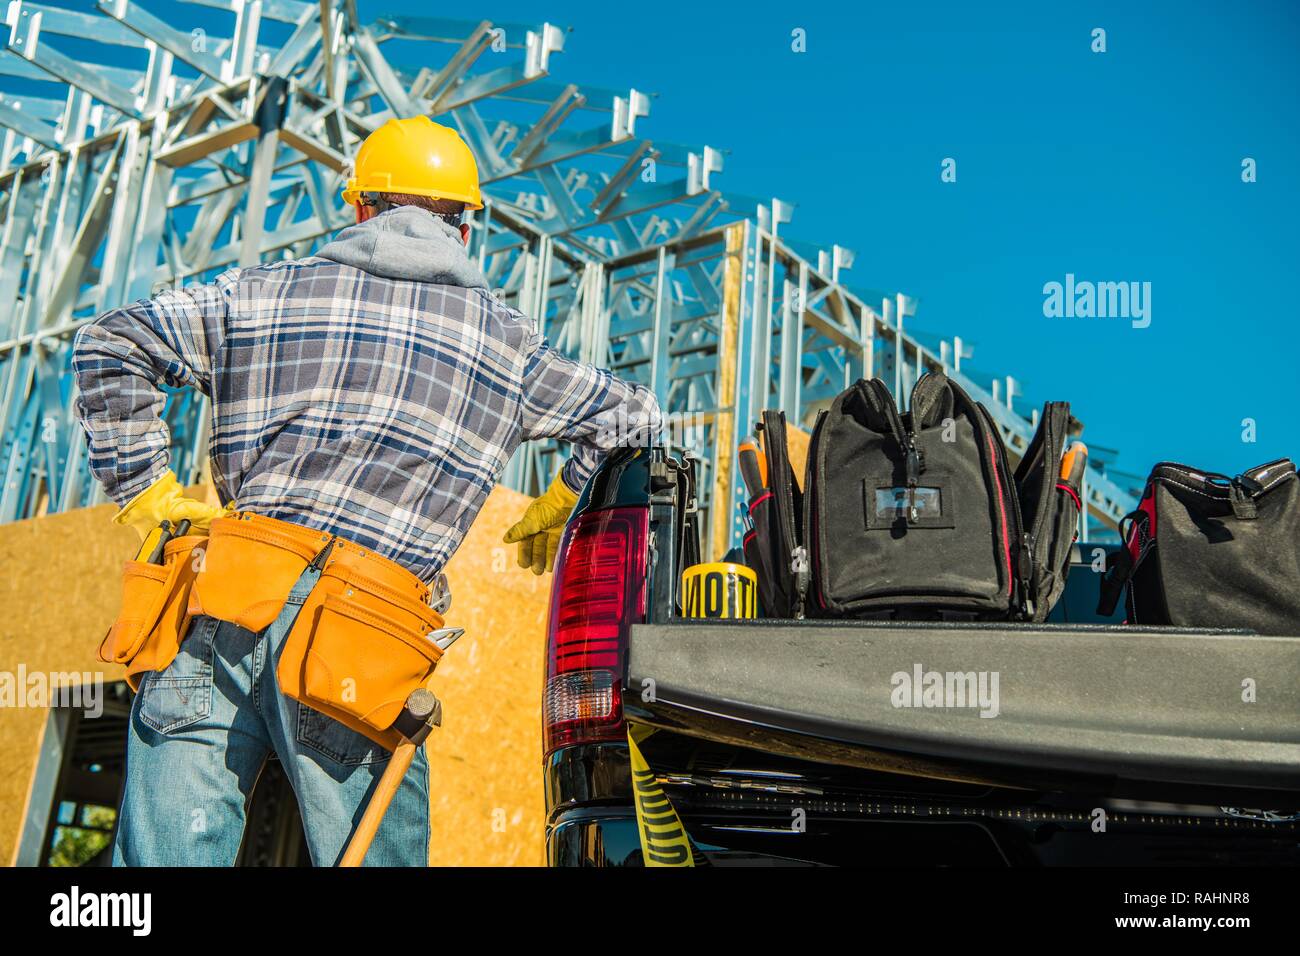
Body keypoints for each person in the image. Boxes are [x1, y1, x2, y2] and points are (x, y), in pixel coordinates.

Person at [73, 116, 660, 866]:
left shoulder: (261, 293)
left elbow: (111, 341)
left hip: (225, 596)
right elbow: (632, 413)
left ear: (359, 208)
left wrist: (144, 490)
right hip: (364, 633)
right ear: (466, 230)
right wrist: (564, 494)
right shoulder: (508, 345)